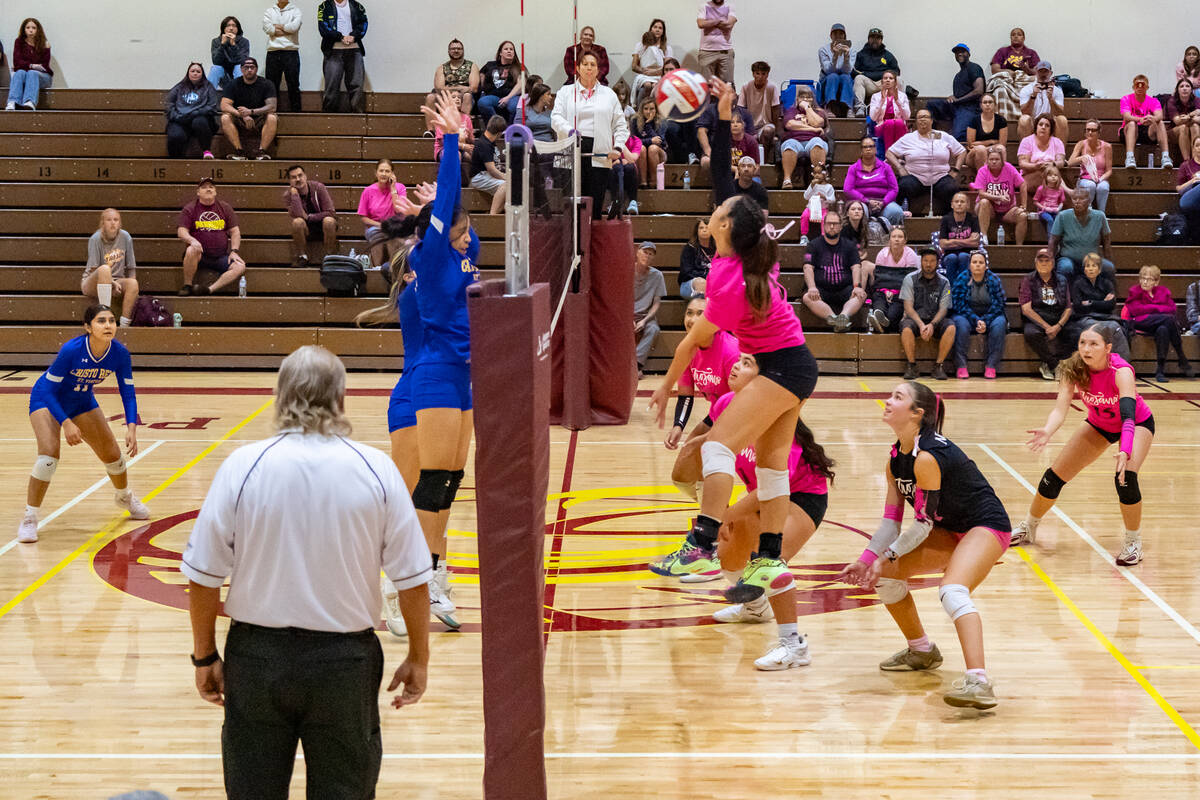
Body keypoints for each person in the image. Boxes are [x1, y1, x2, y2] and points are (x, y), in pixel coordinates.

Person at [182, 346, 432, 798]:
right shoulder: (377, 469)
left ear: (280, 396)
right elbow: (413, 579)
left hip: (257, 662)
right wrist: (419, 656)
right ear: (340, 399)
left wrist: (204, 656)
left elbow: (203, 576)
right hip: (345, 666)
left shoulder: (243, 466)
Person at [648, 78, 819, 591]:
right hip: (792, 364)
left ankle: (701, 545)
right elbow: (722, 178)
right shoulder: (743, 250)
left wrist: (664, 387)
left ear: (723, 228)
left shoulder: (726, 282)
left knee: (717, 446)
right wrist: (723, 115)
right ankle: (768, 558)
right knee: (771, 466)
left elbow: (691, 342)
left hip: (783, 368)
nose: (713, 211)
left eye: (718, 213)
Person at [838, 382, 1011, 710]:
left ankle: (979, 681)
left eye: (897, 397)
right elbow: (890, 522)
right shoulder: (895, 459)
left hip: (985, 525)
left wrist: (888, 554)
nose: (888, 401)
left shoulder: (928, 456)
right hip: (948, 528)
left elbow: (922, 525)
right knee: (884, 574)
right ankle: (921, 651)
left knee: (952, 591)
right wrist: (867, 559)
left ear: (917, 413)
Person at [677, 354, 835, 670]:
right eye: (738, 360)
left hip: (800, 497)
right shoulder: (725, 404)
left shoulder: (779, 422)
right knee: (729, 556)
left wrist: (726, 515)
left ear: (765, 382)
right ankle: (755, 607)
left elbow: (769, 489)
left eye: (748, 363)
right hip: (759, 495)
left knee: (768, 563)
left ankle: (794, 646)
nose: (736, 365)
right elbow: (715, 454)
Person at [404, 91, 483, 629]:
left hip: (466, 378)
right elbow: (451, 195)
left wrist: (443, 207)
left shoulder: (462, 252)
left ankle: (434, 569)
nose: (465, 240)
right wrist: (451, 140)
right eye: (458, 232)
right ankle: (422, 575)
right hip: (434, 374)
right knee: (433, 480)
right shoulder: (431, 259)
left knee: (452, 479)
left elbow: (459, 214)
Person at [1010, 323, 1157, 567]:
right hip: (1100, 424)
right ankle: (1029, 527)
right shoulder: (1072, 368)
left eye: (1093, 344)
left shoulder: (1121, 371)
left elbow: (1128, 416)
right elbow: (1060, 410)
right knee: (1053, 477)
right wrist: (1048, 430)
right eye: (1082, 343)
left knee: (1125, 478)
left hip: (1136, 423)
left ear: (1108, 348)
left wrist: (1125, 449)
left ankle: (1133, 542)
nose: (1086, 349)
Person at [18, 305, 149, 543]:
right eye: (101, 321)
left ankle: (124, 497)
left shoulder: (120, 353)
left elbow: (128, 392)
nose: (108, 325)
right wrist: (66, 423)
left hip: (81, 400)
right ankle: (29, 518)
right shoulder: (72, 350)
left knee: (113, 456)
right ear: (88, 327)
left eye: (112, 321)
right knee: (48, 456)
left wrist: (132, 427)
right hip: (47, 399)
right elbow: (48, 390)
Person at [551, 52, 628, 220]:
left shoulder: (609, 94)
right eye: (585, 64)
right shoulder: (565, 91)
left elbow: (621, 125)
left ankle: (591, 236)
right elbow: (555, 118)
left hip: (599, 155)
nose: (589, 68)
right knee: (571, 208)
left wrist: (618, 147)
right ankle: (572, 237)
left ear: (598, 70)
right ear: (578, 68)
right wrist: (570, 130)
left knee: (594, 207)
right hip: (570, 152)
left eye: (593, 64)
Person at [663, 295, 739, 453]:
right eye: (689, 313)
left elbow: (741, 401)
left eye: (700, 314)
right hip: (718, 412)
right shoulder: (686, 349)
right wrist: (678, 425)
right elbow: (685, 396)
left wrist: (710, 437)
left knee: (705, 452)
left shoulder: (731, 351)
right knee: (687, 455)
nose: (692, 320)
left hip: (741, 414)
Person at [887, 108, 966, 216]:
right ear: (916, 121)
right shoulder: (908, 138)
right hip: (915, 178)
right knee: (903, 185)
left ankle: (950, 218)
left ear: (932, 120)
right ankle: (899, 215)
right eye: (920, 117)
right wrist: (900, 168)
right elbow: (889, 153)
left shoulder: (943, 136)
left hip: (940, 177)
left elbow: (962, 151)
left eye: (925, 117)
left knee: (951, 187)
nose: (923, 119)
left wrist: (956, 170)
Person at [177, 178, 247, 296]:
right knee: (191, 250)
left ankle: (209, 290)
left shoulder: (224, 207)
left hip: (220, 256)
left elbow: (235, 231)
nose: (208, 189)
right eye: (204, 187)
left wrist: (234, 251)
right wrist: (192, 241)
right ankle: (187, 285)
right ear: (198, 192)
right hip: (200, 255)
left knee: (240, 266)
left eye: (211, 187)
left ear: (215, 191)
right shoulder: (190, 208)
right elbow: (181, 231)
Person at [1126, 265, 1194, 382]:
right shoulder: (1135, 291)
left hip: (1158, 324)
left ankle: (1160, 371)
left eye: (1149, 279)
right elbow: (1136, 310)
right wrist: (1158, 309)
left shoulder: (1163, 292)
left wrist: (1151, 309)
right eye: (1143, 278)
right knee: (1168, 319)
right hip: (1140, 321)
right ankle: (1182, 357)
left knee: (1163, 329)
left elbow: (1172, 309)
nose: (1145, 282)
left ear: (1156, 282)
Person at [803, 209, 864, 332]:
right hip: (821, 289)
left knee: (861, 295)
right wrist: (812, 287)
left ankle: (843, 317)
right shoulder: (813, 245)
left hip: (845, 288)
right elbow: (807, 267)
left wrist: (857, 286)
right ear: (824, 225)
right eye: (829, 223)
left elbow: (856, 267)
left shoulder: (850, 245)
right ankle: (835, 319)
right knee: (807, 297)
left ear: (840, 227)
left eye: (835, 224)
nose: (832, 227)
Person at [899, 248, 954, 380]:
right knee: (906, 328)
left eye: (932, 261)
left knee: (951, 327)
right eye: (925, 260)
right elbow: (908, 307)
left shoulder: (945, 282)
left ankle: (938, 366)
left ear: (937, 263)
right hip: (915, 319)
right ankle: (911, 366)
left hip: (935, 320)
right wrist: (921, 325)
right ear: (921, 261)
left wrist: (932, 325)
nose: (928, 264)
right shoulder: (910, 279)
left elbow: (944, 309)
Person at [951, 251, 1006, 379]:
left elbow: (999, 303)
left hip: (990, 314)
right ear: (969, 265)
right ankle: (961, 365)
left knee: (1000, 324)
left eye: (981, 262)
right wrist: (976, 320)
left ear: (986, 266)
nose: (977, 265)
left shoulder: (993, 279)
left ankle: (991, 365)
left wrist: (985, 320)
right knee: (960, 324)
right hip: (966, 314)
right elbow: (958, 304)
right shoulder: (962, 278)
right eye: (974, 262)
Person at [1068, 251, 1132, 361]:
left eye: (1094, 265)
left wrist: (1091, 302)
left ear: (1099, 269)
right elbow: (1079, 307)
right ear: (1084, 269)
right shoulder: (1078, 284)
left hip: (1106, 317)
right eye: (1088, 266)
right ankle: (1100, 362)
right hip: (1085, 318)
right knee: (1101, 328)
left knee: (1116, 327)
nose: (1091, 269)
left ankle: (1122, 364)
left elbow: (1111, 305)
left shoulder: (1107, 283)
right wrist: (1102, 302)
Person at [1020, 248, 1072, 380]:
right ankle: (1054, 364)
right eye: (1040, 260)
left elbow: (1068, 308)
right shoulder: (1028, 280)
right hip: (1037, 319)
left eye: (1047, 260)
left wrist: (1058, 326)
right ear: (1035, 263)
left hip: (1057, 318)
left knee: (1076, 332)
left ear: (1053, 263)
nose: (1043, 263)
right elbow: (1026, 309)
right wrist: (1047, 327)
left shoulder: (1061, 279)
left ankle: (1054, 363)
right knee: (1031, 333)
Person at [83, 209, 139, 327]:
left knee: (133, 283)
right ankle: (105, 318)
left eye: (116, 220)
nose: (113, 223)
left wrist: (132, 293)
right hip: (93, 282)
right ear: (103, 223)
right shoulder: (95, 239)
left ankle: (124, 325)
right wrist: (111, 283)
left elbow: (131, 268)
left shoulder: (126, 237)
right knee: (105, 269)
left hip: (117, 281)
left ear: (120, 223)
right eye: (109, 220)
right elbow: (94, 269)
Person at [219, 57, 278, 160]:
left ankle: (261, 153)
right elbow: (224, 105)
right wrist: (242, 114)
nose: (249, 70)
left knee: (272, 117)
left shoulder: (266, 84)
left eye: (252, 67)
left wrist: (251, 112)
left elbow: (272, 106)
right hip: (240, 118)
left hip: (260, 118)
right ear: (241, 69)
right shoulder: (233, 84)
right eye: (246, 67)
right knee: (225, 117)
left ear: (256, 69)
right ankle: (239, 152)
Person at [1050, 187, 1115, 277]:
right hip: (1068, 258)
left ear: (1089, 201)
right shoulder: (1063, 216)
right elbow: (1053, 241)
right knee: (1065, 267)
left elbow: (1106, 243)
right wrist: (1050, 262)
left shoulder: (1100, 216)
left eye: (1081, 199)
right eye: (1074, 199)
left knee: (1109, 267)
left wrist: (1110, 261)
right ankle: (1062, 286)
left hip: (1092, 259)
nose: (1077, 201)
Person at [925, 44, 985, 141]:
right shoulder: (958, 75)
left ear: (969, 54)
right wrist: (953, 97)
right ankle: (929, 134)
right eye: (957, 53)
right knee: (931, 104)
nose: (959, 54)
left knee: (958, 136)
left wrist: (958, 99)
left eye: (962, 51)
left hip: (970, 108)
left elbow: (979, 91)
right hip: (957, 106)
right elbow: (961, 93)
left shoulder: (974, 67)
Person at [317, 0, 368, 113]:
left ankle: (357, 114)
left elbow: (363, 23)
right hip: (333, 51)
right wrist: (340, 37)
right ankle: (329, 116)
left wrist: (353, 36)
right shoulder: (324, 6)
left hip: (354, 50)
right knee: (332, 84)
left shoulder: (356, 6)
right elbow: (323, 28)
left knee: (356, 84)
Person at [972, 144, 1028, 246]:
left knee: (1022, 215)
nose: (994, 162)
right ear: (987, 161)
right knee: (984, 202)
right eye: (991, 159)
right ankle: (984, 237)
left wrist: (1023, 205)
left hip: (1008, 209)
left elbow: (1023, 184)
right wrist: (999, 197)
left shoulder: (1009, 168)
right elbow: (981, 194)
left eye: (997, 159)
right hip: (988, 209)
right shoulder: (983, 171)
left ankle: (1019, 247)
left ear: (1002, 161)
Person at [844, 137, 904, 227]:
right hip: (862, 202)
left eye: (871, 146)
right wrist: (867, 201)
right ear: (861, 151)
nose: (868, 149)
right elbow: (848, 189)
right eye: (865, 147)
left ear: (875, 149)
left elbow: (894, 189)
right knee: (859, 210)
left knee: (896, 211)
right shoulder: (853, 168)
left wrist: (883, 202)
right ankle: (863, 235)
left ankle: (887, 234)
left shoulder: (886, 167)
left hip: (883, 203)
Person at [867, 226, 919, 333]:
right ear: (889, 239)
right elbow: (879, 279)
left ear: (905, 240)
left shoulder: (910, 255)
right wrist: (886, 291)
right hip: (882, 292)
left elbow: (910, 281)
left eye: (900, 237)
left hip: (901, 294)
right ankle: (878, 315)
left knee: (892, 315)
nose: (896, 239)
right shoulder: (882, 254)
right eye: (894, 236)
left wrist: (893, 291)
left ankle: (879, 324)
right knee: (879, 304)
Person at [284, 165, 338, 268]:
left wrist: (309, 217)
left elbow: (330, 212)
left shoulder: (318, 187)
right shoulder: (288, 195)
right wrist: (295, 195)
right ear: (290, 181)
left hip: (324, 225)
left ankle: (329, 257)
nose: (298, 179)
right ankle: (302, 257)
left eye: (300, 175)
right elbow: (298, 215)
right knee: (297, 222)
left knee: (329, 221)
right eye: (293, 177)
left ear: (305, 176)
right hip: (306, 228)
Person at [165, 62, 221, 159]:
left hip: (201, 120)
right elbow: (169, 105)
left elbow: (211, 106)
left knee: (199, 121)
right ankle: (176, 160)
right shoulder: (179, 87)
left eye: (198, 71)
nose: (195, 73)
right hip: (180, 120)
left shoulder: (209, 87)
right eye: (193, 71)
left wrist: (195, 113)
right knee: (175, 135)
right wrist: (178, 116)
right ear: (188, 73)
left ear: (202, 74)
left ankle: (207, 151)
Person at [779, 85, 828, 189]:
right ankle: (787, 180)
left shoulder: (819, 112)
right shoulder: (791, 111)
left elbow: (817, 123)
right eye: (802, 97)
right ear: (797, 99)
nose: (805, 99)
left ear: (813, 99)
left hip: (813, 141)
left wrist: (807, 108)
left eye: (808, 97)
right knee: (789, 144)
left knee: (817, 142)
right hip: (795, 140)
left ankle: (819, 180)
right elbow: (790, 124)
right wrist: (813, 129)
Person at [425, 39, 478, 135]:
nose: (456, 51)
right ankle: (431, 131)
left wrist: (451, 90)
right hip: (445, 97)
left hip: (464, 97)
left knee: (467, 96)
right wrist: (460, 88)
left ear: (463, 50)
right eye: (453, 49)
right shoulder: (442, 68)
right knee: (430, 97)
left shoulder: (472, 66)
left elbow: (473, 88)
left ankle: (462, 129)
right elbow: (439, 88)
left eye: (459, 48)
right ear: (448, 51)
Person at [986, 28, 1039, 122]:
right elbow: (994, 70)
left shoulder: (1031, 53)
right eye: (1013, 34)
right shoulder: (1002, 51)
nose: (1016, 36)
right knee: (999, 86)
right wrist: (1007, 71)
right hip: (1007, 80)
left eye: (1019, 34)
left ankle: (1030, 119)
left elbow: (1037, 72)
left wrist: (1026, 69)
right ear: (1010, 38)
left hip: (1024, 79)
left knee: (1036, 83)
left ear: (1024, 38)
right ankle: (1001, 120)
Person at [1120, 75, 1172, 169]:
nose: (1140, 87)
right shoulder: (1126, 99)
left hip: (1147, 130)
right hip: (1129, 130)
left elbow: (1159, 116)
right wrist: (1140, 119)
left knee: (1160, 123)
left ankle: (1165, 157)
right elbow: (1126, 116)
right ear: (1133, 87)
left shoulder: (1153, 101)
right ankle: (1130, 157)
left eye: (1143, 85)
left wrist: (1152, 119)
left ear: (1147, 87)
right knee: (1131, 123)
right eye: (1137, 85)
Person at [852, 28, 902, 118]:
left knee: (898, 79)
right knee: (858, 78)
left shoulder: (888, 55)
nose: (875, 40)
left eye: (878, 38)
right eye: (872, 37)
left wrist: (883, 76)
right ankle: (860, 108)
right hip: (869, 84)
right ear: (868, 39)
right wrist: (875, 74)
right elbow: (854, 72)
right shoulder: (861, 54)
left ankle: (897, 108)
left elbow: (896, 71)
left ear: (881, 40)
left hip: (884, 84)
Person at [262, 0, 302, 112]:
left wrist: (277, 27)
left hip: (291, 51)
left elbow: (294, 27)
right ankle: (271, 112)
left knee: (293, 84)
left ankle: (296, 113)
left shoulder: (296, 11)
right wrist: (286, 29)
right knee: (271, 85)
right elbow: (267, 28)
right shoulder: (269, 11)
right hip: (273, 52)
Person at [634, 242, 666, 375]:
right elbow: (620, 299)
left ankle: (636, 365)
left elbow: (657, 303)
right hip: (626, 314)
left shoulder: (657, 275)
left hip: (645, 315)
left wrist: (644, 321)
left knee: (653, 329)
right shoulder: (626, 271)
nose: (647, 256)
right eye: (645, 252)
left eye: (650, 254)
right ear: (637, 252)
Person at [1068, 118, 1113, 212]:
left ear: (1099, 133)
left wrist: (1100, 179)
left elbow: (1109, 171)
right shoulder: (1081, 144)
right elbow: (1070, 162)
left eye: (1093, 130)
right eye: (1087, 130)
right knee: (1090, 185)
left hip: (1101, 177)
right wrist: (1081, 158)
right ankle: (1088, 211)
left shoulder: (1107, 147)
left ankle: (1101, 213)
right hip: (1085, 178)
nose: (1090, 132)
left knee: (1103, 187)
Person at [7, 18, 52, 111]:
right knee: (20, 72)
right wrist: (32, 65)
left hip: (43, 77)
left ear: (38, 30)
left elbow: (44, 66)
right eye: (28, 27)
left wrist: (26, 65)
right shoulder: (19, 42)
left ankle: (30, 102)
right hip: (25, 75)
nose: (31, 30)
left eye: (34, 28)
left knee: (32, 73)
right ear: (24, 29)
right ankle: (12, 102)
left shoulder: (44, 43)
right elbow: (17, 62)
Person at [358, 158, 406, 245]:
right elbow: (363, 218)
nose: (384, 174)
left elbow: (399, 211)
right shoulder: (368, 191)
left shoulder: (400, 188)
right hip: (375, 227)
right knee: (380, 236)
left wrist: (393, 189)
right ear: (376, 173)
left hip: (395, 226)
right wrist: (381, 225)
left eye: (387, 171)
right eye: (381, 171)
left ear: (392, 174)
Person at [738, 61, 781, 154]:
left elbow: (776, 109)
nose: (760, 77)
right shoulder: (746, 87)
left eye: (763, 74)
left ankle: (763, 161)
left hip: (766, 124)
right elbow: (741, 109)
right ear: (753, 74)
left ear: (767, 75)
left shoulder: (772, 87)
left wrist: (776, 132)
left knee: (768, 131)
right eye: (757, 73)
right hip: (749, 125)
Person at [937, 191, 981, 283]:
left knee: (963, 256)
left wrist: (952, 241)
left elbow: (975, 243)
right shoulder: (946, 219)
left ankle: (963, 287)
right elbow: (942, 244)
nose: (959, 204)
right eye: (956, 201)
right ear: (952, 205)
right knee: (952, 258)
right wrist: (966, 241)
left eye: (962, 201)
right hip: (948, 256)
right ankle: (951, 288)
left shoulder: (973, 219)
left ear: (968, 205)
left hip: (968, 255)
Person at [1017, 62, 1068, 140]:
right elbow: (1025, 112)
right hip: (1033, 123)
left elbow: (1059, 113)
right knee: (1023, 119)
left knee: (1062, 119)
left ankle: (1060, 148)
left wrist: (1051, 99)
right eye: (1040, 71)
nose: (1043, 74)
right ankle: (1026, 147)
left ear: (1051, 73)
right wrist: (1033, 96)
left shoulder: (1057, 91)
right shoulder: (1026, 89)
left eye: (1046, 71)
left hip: (1050, 123)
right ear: (1036, 72)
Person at [1016, 112, 1065, 193]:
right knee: (1043, 174)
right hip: (1030, 175)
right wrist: (1036, 166)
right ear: (1036, 127)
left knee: (1050, 174)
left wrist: (1052, 164)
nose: (1043, 127)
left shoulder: (1057, 142)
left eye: (1047, 125)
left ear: (1051, 129)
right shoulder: (1027, 141)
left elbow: (1061, 161)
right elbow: (1022, 163)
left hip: (1050, 174)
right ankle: (1067, 191)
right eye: (1040, 124)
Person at [470, 115, 509, 216]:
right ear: (499, 133)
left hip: (487, 175)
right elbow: (491, 170)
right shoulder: (484, 144)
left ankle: (501, 211)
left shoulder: (490, 143)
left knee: (512, 186)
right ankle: (492, 215)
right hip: (479, 177)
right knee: (506, 185)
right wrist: (506, 177)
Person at [478, 41, 524, 123]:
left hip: (512, 97)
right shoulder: (490, 65)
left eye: (511, 49)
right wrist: (483, 89)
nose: (509, 51)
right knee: (483, 102)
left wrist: (508, 97)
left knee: (513, 106)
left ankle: (510, 128)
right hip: (493, 96)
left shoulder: (518, 66)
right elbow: (481, 75)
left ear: (514, 53)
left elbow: (521, 85)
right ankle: (497, 126)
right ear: (500, 53)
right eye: (506, 49)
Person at [817, 23, 856, 116]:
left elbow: (848, 71)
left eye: (841, 34)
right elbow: (828, 70)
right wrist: (835, 56)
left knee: (845, 77)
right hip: (827, 78)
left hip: (844, 77)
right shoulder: (823, 50)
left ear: (844, 36)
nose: (838, 36)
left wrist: (846, 57)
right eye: (835, 33)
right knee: (833, 76)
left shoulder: (851, 50)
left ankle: (848, 108)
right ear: (831, 36)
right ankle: (829, 106)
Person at [631, 20, 672, 105]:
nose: (657, 30)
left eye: (660, 28)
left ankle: (655, 109)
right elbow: (634, 66)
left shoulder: (667, 48)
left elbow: (667, 68)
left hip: (659, 75)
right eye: (655, 27)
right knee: (647, 86)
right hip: (644, 74)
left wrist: (653, 72)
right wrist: (645, 71)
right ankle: (640, 108)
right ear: (651, 29)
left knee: (655, 87)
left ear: (663, 32)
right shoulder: (640, 45)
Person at [868, 70, 910, 153]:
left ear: (895, 82)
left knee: (899, 122)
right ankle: (889, 155)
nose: (888, 80)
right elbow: (873, 118)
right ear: (882, 81)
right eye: (885, 78)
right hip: (881, 126)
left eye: (891, 78)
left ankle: (898, 154)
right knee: (889, 123)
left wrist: (897, 101)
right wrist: (882, 100)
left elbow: (906, 116)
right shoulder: (875, 96)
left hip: (899, 125)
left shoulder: (902, 96)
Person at [965, 93, 1008, 172]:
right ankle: (983, 177)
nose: (987, 105)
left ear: (995, 105)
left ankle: (1001, 176)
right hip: (974, 155)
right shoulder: (974, 120)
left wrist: (981, 145)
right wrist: (991, 142)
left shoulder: (1001, 120)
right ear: (981, 105)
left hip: (992, 153)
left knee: (1001, 148)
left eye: (990, 102)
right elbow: (971, 144)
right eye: (985, 102)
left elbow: (1002, 144)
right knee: (981, 150)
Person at [696, 0, 737, 82]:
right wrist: (718, 20)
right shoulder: (704, 6)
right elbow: (701, 24)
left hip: (725, 52)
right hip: (706, 52)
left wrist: (709, 22)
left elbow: (728, 25)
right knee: (706, 85)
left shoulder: (730, 6)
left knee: (727, 85)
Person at [632, 97, 668, 185]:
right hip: (641, 152)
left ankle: (654, 182)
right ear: (641, 110)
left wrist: (648, 124)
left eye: (652, 109)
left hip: (659, 152)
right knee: (642, 148)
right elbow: (634, 142)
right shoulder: (635, 120)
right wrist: (650, 140)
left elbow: (661, 142)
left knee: (653, 148)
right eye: (646, 109)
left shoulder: (662, 121)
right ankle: (643, 182)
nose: (648, 112)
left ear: (656, 110)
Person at [208, 16, 249, 91]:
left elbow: (243, 61)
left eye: (234, 26)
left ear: (238, 28)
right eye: (228, 25)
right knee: (215, 68)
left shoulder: (244, 41)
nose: (231, 28)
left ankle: (242, 96)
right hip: (223, 74)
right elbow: (216, 61)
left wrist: (233, 45)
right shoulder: (216, 41)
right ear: (223, 28)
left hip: (238, 73)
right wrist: (222, 45)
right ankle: (208, 96)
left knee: (239, 67)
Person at [798, 164, 833, 247]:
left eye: (819, 173)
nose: (817, 175)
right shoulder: (812, 186)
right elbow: (806, 196)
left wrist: (824, 197)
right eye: (815, 173)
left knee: (825, 218)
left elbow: (832, 199)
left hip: (823, 209)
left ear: (825, 174)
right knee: (804, 216)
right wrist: (811, 186)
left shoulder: (829, 187)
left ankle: (823, 237)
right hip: (811, 208)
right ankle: (804, 236)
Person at [679, 218, 716, 298]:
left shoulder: (718, 248)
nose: (704, 230)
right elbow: (687, 272)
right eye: (701, 228)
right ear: (697, 231)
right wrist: (706, 277)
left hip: (713, 283)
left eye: (707, 228)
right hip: (690, 284)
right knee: (702, 283)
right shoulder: (690, 248)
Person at [434, 90, 476, 158]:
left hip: (463, 148)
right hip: (444, 148)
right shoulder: (443, 117)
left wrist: (469, 137)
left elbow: (471, 140)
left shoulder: (466, 118)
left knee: (475, 156)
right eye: (453, 97)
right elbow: (443, 141)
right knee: (456, 154)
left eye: (459, 97)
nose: (457, 99)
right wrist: (463, 146)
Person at [1167, 78, 1200, 160]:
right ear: (1177, 90)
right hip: (1174, 132)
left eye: (1187, 86)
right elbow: (1177, 121)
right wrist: (1192, 115)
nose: (1184, 88)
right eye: (1181, 86)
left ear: (1191, 90)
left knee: (1195, 126)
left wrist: (1188, 117)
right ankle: (1187, 161)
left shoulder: (1197, 100)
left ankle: (1196, 160)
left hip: (1192, 129)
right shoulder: (1172, 101)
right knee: (1183, 127)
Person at [1032, 164, 1067, 235]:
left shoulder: (1060, 189)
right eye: (1050, 175)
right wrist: (1044, 208)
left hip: (1055, 210)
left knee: (1058, 220)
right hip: (1044, 211)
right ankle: (1051, 239)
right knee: (1050, 220)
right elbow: (1035, 202)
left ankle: (1059, 238)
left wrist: (1058, 208)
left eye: (1055, 175)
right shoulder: (1041, 189)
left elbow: (1061, 202)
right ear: (1045, 177)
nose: (1053, 177)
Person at [1178, 136, 1200, 241]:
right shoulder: (1186, 165)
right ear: (1193, 148)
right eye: (1197, 145)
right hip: (1189, 199)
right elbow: (1179, 189)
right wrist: (1192, 180)